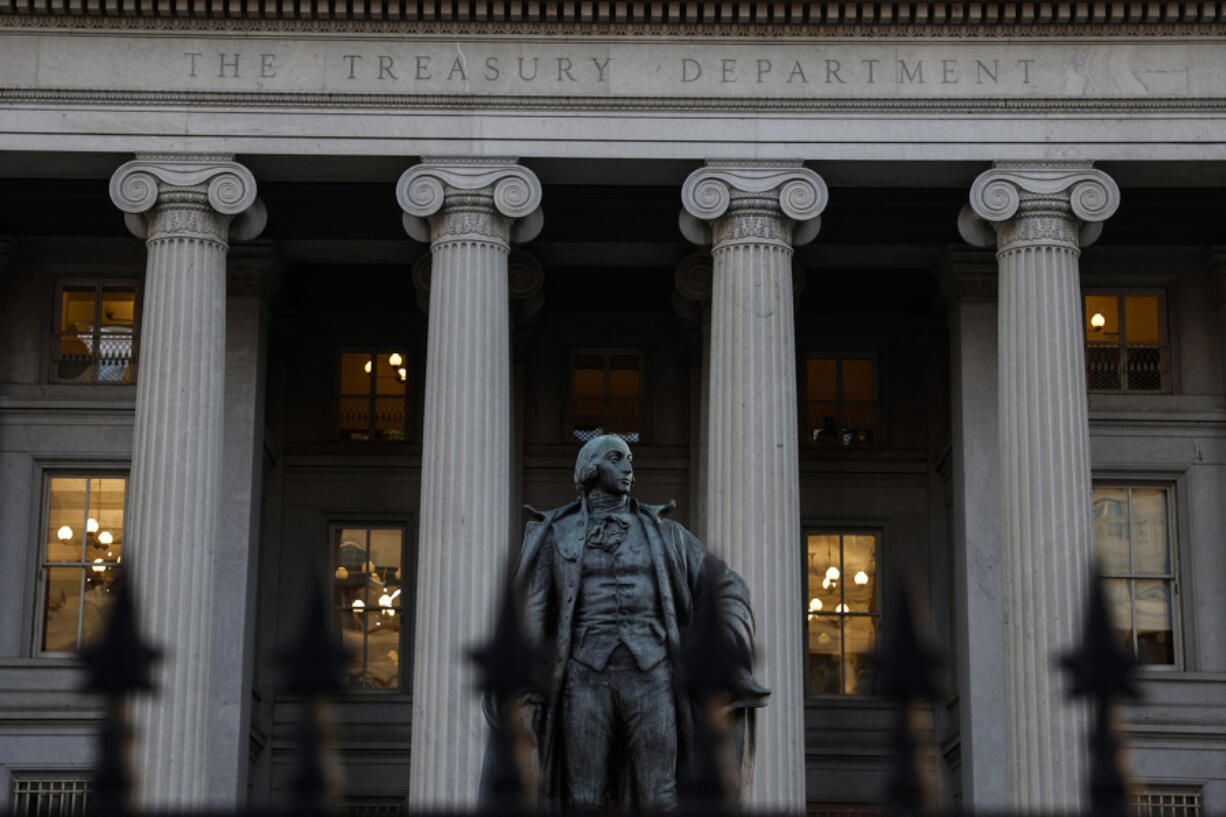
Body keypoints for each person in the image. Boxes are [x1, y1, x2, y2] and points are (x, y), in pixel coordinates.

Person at [510, 434, 768, 813]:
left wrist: (726, 640)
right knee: (583, 798)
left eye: (630, 459)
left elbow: (726, 585)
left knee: (662, 797)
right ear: (592, 468)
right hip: (583, 678)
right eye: (618, 458)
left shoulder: (667, 534)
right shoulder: (556, 534)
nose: (629, 467)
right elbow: (532, 613)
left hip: (653, 676)